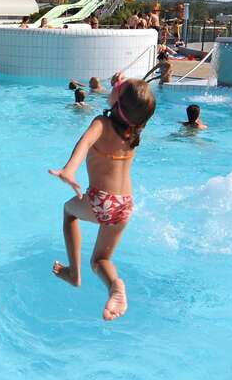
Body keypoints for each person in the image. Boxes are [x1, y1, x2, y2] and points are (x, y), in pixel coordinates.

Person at [49, 77, 156, 321]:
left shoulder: (102, 123)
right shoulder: (134, 131)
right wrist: (125, 88)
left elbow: (85, 143)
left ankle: (73, 273)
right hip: (125, 204)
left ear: (117, 100)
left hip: (102, 201)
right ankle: (115, 286)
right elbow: (136, 103)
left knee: (68, 212)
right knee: (101, 259)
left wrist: (69, 169)